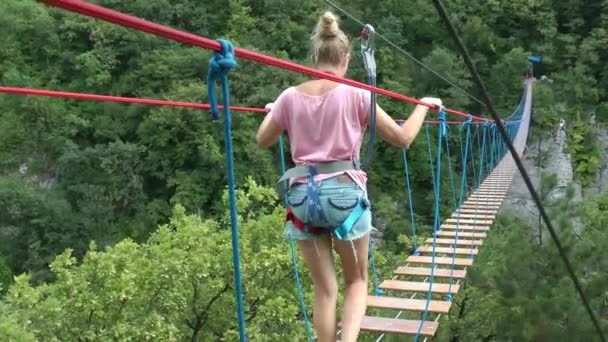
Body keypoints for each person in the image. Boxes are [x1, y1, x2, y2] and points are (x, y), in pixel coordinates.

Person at [255, 11, 442, 342]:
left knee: (324, 290)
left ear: (315, 59)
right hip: (344, 198)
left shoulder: (289, 96)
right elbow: (403, 139)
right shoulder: (356, 94)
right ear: (345, 58)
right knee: (355, 282)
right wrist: (423, 106)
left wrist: (275, 112)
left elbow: (263, 140)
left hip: (302, 200)